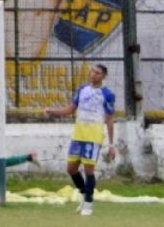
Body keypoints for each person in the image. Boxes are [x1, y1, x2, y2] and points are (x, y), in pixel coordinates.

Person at [45, 64, 116, 216]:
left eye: (98, 73)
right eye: (93, 71)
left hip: (93, 135)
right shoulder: (82, 90)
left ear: (104, 76)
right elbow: (70, 109)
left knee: (89, 169)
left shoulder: (107, 94)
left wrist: (111, 145)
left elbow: (110, 119)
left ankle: (88, 205)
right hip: (78, 135)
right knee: (71, 169)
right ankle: (85, 196)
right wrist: (54, 112)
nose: (94, 75)